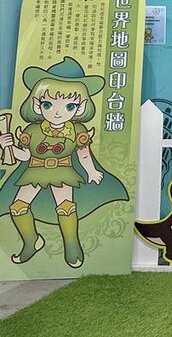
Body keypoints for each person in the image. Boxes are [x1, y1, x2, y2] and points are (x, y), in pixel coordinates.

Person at [0, 56, 128, 268]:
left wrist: (91, 171)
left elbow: (83, 153)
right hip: (34, 170)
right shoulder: (32, 130)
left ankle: (72, 245)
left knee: (65, 207)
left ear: (81, 107)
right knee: (18, 207)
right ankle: (32, 241)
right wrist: (8, 146)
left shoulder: (77, 130)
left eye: (69, 106)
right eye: (48, 104)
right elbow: (25, 156)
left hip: (63, 170)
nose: (57, 112)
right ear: (37, 104)